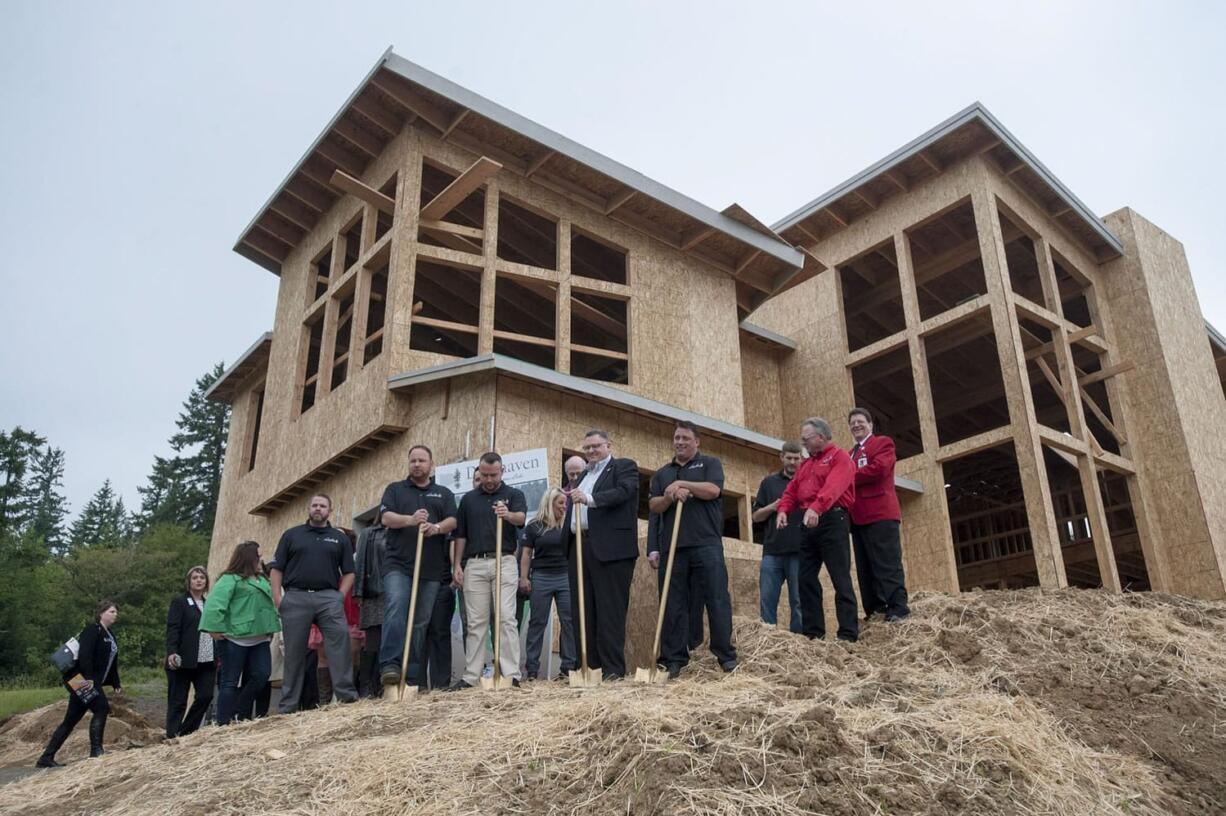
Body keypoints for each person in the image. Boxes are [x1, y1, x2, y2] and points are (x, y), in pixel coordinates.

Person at [647, 421, 736, 679]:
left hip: (706, 544)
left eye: (685, 438)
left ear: (697, 442)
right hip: (673, 548)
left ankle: (725, 655)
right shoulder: (662, 473)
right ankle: (673, 659)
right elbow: (654, 506)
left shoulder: (710, 464)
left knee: (716, 598)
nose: (680, 442)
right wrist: (669, 496)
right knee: (672, 603)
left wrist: (685, 485)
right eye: (676, 438)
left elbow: (713, 490)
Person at [378, 445, 458, 691]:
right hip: (398, 565)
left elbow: (452, 520)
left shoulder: (443, 493)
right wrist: (410, 520)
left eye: (421, 460)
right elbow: (386, 518)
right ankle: (391, 665)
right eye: (413, 460)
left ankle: (411, 675)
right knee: (396, 610)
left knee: (421, 622)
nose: (417, 464)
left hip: (431, 570)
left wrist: (436, 528)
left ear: (431, 464)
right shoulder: (395, 489)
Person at [270, 494, 359, 712]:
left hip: (328, 597)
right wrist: (278, 598)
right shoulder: (292, 535)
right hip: (296, 597)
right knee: (294, 653)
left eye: (323, 506)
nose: (318, 509)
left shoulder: (339, 539)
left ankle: (347, 697)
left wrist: (339, 595)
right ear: (309, 509)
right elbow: (276, 569)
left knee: (339, 646)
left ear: (330, 510)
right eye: (314, 505)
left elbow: (349, 572)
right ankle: (288, 706)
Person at [446, 452, 527, 690]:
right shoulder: (469, 499)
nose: (489, 479)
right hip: (476, 563)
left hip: (505, 561)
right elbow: (460, 534)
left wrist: (507, 514)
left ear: (502, 471)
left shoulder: (514, 495)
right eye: (484, 475)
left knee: (505, 618)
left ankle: (510, 675)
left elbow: (521, 518)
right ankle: (472, 676)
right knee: (476, 621)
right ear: (479, 472)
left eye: (493, 474)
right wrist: (458, 565)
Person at [566, 429, 639, 679]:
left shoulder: (624, 467)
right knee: (583, 610)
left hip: (611, 550)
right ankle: (588, 668)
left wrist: (589, 498)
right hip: (579, 548)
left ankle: (612, 671)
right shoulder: (583, 475)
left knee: (610, 611)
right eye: (587, 448)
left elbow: (624, 492)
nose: (591, 452)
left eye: (596, 446)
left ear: (609, 445)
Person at [777, 418, 858, 642]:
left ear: (820, 437)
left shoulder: (840, 457)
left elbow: (834, 487)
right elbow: (792, 490)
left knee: (840, 577)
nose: (803, 442)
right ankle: (813, 632)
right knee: (805, 578)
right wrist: (784, 509)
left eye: (806, 439)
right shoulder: (806, 464)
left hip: (832, 519)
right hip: (808, 523)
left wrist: (816, 508)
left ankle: (848, 634)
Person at [200, 541, 281, 725]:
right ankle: (223, 722)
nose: (261, 558)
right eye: (258, 555)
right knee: (230, 682)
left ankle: (239, 711)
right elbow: (214, 605)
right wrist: (213, 629)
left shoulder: (262, 579)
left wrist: (271, 627)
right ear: (248, 557)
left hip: (260, 638)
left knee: (262, 675)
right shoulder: (229, 579)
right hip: (234, 639)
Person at [37, 601, 122, 767]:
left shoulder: (110, 635)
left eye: (116, 612)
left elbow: (112, 662)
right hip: (81, 679)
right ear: (101, 613)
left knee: (70, 720)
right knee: (101, 708)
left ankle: (46, 758)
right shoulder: (92, 630)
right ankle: (96, 751)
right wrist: (89, 677)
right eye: (112, 611)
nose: (115, 614)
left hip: (88, 680)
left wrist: (115, 682)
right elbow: (85, 655)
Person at [847, 407, 910, 622]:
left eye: (860, 421)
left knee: (887, 563)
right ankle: (875, 610)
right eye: (852, 423)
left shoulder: (883, 443)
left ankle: (898, 608)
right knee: (865, 567)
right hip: (857, 518)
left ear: (870, 425)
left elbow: (879, 469)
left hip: (880, 514)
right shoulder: (850, 454)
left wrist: (847, 476)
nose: (856, 425)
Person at [520, 487, 576, 680]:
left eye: (566, 503)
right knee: (537, 622)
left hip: (565, 576)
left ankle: (568, 667)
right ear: (550, 503)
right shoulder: (534, 525)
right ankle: (532, 669)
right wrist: (524, 577)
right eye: (560, 503)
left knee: (568, 621)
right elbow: (526, 553)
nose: (564, 506)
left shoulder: (570, 524)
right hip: (541, 576)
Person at [751, 442, 805, 633]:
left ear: (802, 459)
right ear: (781, 457)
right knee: (767, 600)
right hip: (772, 553)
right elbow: (755, 517)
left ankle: (800, 643)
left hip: (800, 552)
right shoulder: (769, 483)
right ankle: (769, 644)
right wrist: (772, 507)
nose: (792, 462)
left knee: (799, 601)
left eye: (796, 458)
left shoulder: (807, 482)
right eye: (789, 458)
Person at [164, 566, 216, 738]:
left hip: (207, 659)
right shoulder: (180, 602)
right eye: (195, 577)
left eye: (202, 577)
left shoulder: (209, 604)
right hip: (184, 658)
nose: (199, 580)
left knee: (205, 696)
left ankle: (186, 732)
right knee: (178, 700)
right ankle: (172, 735)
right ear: (189, 581)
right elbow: (173, 628)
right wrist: (172, 651)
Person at [353, 521, 388, 697]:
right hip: (374, 591)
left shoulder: (405, 530)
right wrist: (358, 590)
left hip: (398, 590)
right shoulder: (369, 533)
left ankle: (383, 685)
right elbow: (360, 561)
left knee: (391, 640)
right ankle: (366, 686)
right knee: (373, 640)